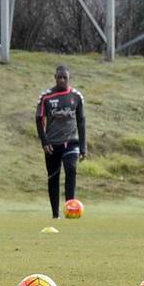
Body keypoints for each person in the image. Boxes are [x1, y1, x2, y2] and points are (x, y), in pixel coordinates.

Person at [36, 63, 86, 219]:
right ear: (55, 78)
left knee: (71, 169)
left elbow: (81, 121)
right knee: (53, 177)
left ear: (69, 79)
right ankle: (55, 215)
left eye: (65, 77)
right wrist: (44, 142)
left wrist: (83, 146)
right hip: (52, 144)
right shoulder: (46, 97)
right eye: (59, 77)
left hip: (71, 142)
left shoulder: (76, 96)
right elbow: (39, 119)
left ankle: (71, 210)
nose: (62, 80)